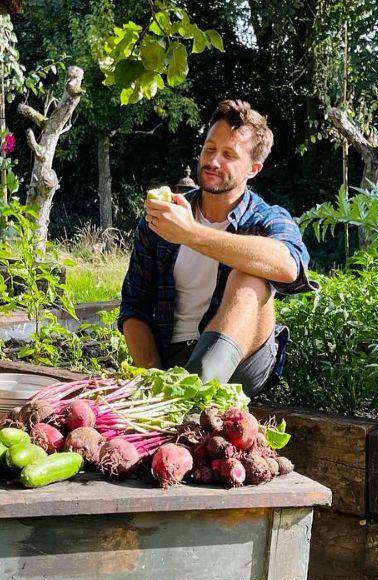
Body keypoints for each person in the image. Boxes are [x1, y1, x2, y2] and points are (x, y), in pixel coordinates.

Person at [119, 99, 315, 397]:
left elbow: (289, 266)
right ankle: (178, 398)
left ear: (253, 168)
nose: (213, 162)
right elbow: (134, 309)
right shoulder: (162, 217)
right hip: (171, 361)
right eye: (210, 149)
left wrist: (191, 233)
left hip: (245, 364)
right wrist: (152, 381)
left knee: (249, 275)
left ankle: (189, 398)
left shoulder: (266, 218)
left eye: (229, 155)